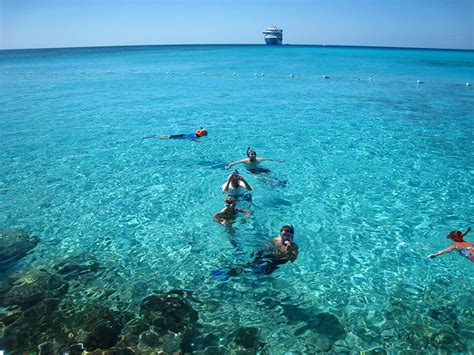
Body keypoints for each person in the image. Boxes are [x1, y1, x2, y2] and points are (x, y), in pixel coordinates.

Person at [212, 225, 299, 278]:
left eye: (288, 235)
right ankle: (230, 272)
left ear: (292, 236)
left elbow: (292, 260)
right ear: (280, 234)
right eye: (284, 234)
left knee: (264, 274)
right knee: (251, 264)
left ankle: (242, 275)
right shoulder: (275, 240)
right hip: (269, 255)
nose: (286, 237)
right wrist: (257, 253)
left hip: (278, 261)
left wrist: (289, 250)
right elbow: (265, 246)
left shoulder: (294, 246)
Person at [143, 128, 208, 141]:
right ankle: (153, 137)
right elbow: (190, 138)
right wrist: (195, 141)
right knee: (168, 137)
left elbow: (199, 130)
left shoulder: (196, 134)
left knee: (168, 136)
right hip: (181, 137)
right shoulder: (196, 136)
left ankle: (153, 136)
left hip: (181, 135)